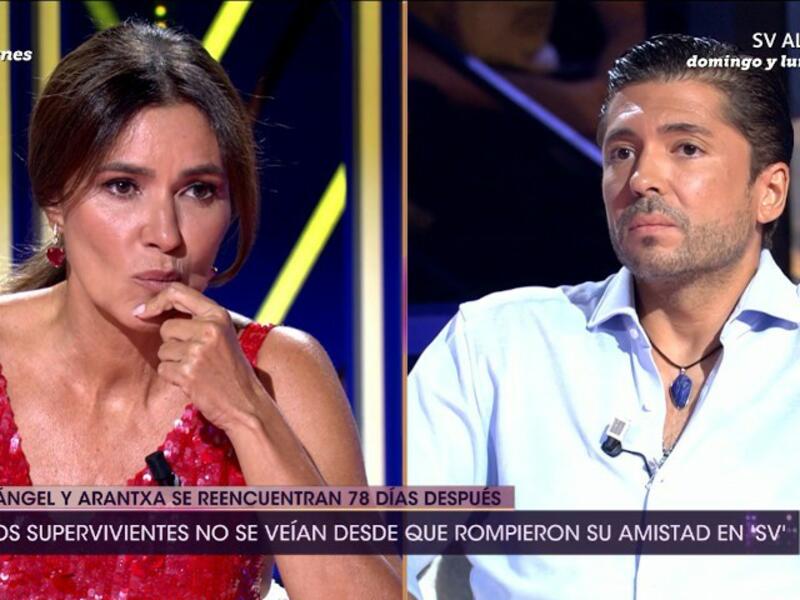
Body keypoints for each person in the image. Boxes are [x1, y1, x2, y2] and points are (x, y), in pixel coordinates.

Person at [0, 21, 399, 599]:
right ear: (55, 198)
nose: (166, 235)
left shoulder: (279, 374)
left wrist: (247, 414)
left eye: (198, 191)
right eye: (123, 186)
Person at [408, 33, 800, 599]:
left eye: (686, 148)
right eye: (621, 152)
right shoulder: (497, 345)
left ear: (770, 191)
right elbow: (367, 554)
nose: (641, 178)